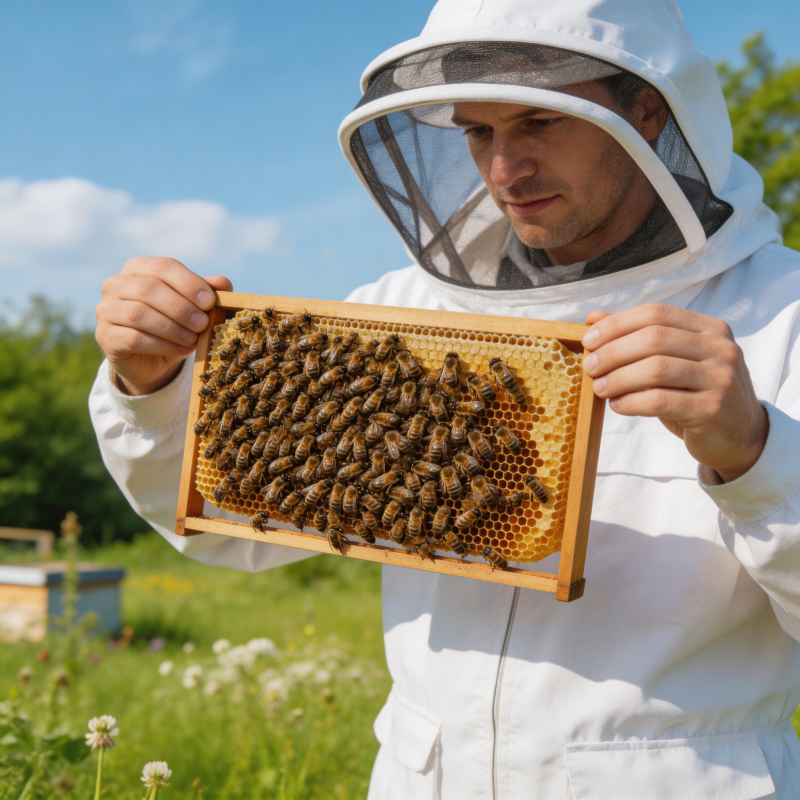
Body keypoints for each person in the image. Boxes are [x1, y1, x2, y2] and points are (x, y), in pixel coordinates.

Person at [90, 0, 800, 796]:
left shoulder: (783, 317)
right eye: (478, 131)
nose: (505, 170)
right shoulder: (403, 312)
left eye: (540, 121)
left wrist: (756, 452)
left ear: (649, 110)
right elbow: (236, 529)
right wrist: (152, 385)